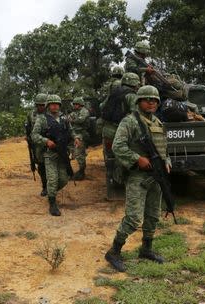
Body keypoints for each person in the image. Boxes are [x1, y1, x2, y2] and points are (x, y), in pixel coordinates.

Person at [105, 85, 171, 272]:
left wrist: (167, 161)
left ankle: (146, 249)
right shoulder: (130, 122)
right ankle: (114, 252)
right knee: (134, 218)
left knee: (153, 216)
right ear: (138, 101)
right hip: (138, 176)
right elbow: (118, 147)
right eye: (147, 99)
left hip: (156, 176)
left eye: (155, 100)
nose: (151, 102)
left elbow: (164, 149)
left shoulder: (158, 122)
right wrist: (137, 159)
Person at [31, 94, 81, 216]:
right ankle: (52, 203)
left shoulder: (64, 118)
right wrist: (46, 141)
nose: (54, 106)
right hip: (50, 154)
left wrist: (75, 138)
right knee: (52, 179)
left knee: (64, 179)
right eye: (52, 104)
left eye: (56, 104)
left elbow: (71, 131)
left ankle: (50, 191)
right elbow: (34, 135)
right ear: (48, 106)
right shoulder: (42, 119)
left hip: (63, 153)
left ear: (59, 105)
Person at [101, 72, 140, 185]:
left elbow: (102, 107)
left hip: (108, 129)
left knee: (115, 154)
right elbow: (136, 114)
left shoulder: (113, 92)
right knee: (125, 153)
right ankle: (121, 180)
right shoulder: (131, 95)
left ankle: (114, 179)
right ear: (135, 83)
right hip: (120, 129)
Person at [27, 93, 49, 196]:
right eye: (39, 105)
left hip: (50, 142)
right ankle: (45, 186)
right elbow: (29, 128)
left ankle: (53, 184)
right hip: (37, 144)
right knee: (41, 166)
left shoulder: (51, 113)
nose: (41, 107)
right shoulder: (31, 114)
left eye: (43, 105)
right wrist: (28, 138)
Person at [69, 96, 90, 180]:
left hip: (81, 133)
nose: (74, 105)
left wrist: (72, 120)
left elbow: (81, 120)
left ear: (80, 104)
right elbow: (68, 119)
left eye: (76, 104)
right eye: (74, 104)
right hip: (74, 133)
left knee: (79, 153)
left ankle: (81, 172)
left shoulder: (84, 111)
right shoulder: (75, 112)